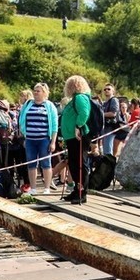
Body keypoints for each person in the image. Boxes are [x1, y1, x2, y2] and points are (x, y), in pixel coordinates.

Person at [18, 82, 59, 194]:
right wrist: (24, 135)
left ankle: (46, 187)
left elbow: (54, 125)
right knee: (31, 164)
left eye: (38, 91)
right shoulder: (28, 104)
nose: (35, 93)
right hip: (30, 139)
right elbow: (22, 119)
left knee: (46, 163)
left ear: (44, 93)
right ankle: (33, 188)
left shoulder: (49, 106)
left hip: (44, 139)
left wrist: (53, 142)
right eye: (34, 90)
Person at [59, 76, 92, 204]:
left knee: (79, 163)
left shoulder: (80, 97)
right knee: (73, 162)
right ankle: (76, 190)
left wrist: (78, 126)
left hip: (78, 136)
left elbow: (84, 113)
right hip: (71, 137)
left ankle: (82, 192)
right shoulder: (76, 98)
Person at [99, 83, 124, 156]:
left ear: (113, 91)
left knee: (108, 151)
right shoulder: (104, 103)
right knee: (105, 150)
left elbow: (113, 113)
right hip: (104, 128)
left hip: (111, 128)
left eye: (108, 89)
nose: (106, 90)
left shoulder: (114, 100)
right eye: (105, 89)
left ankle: (109, 167)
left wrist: (101, 115)